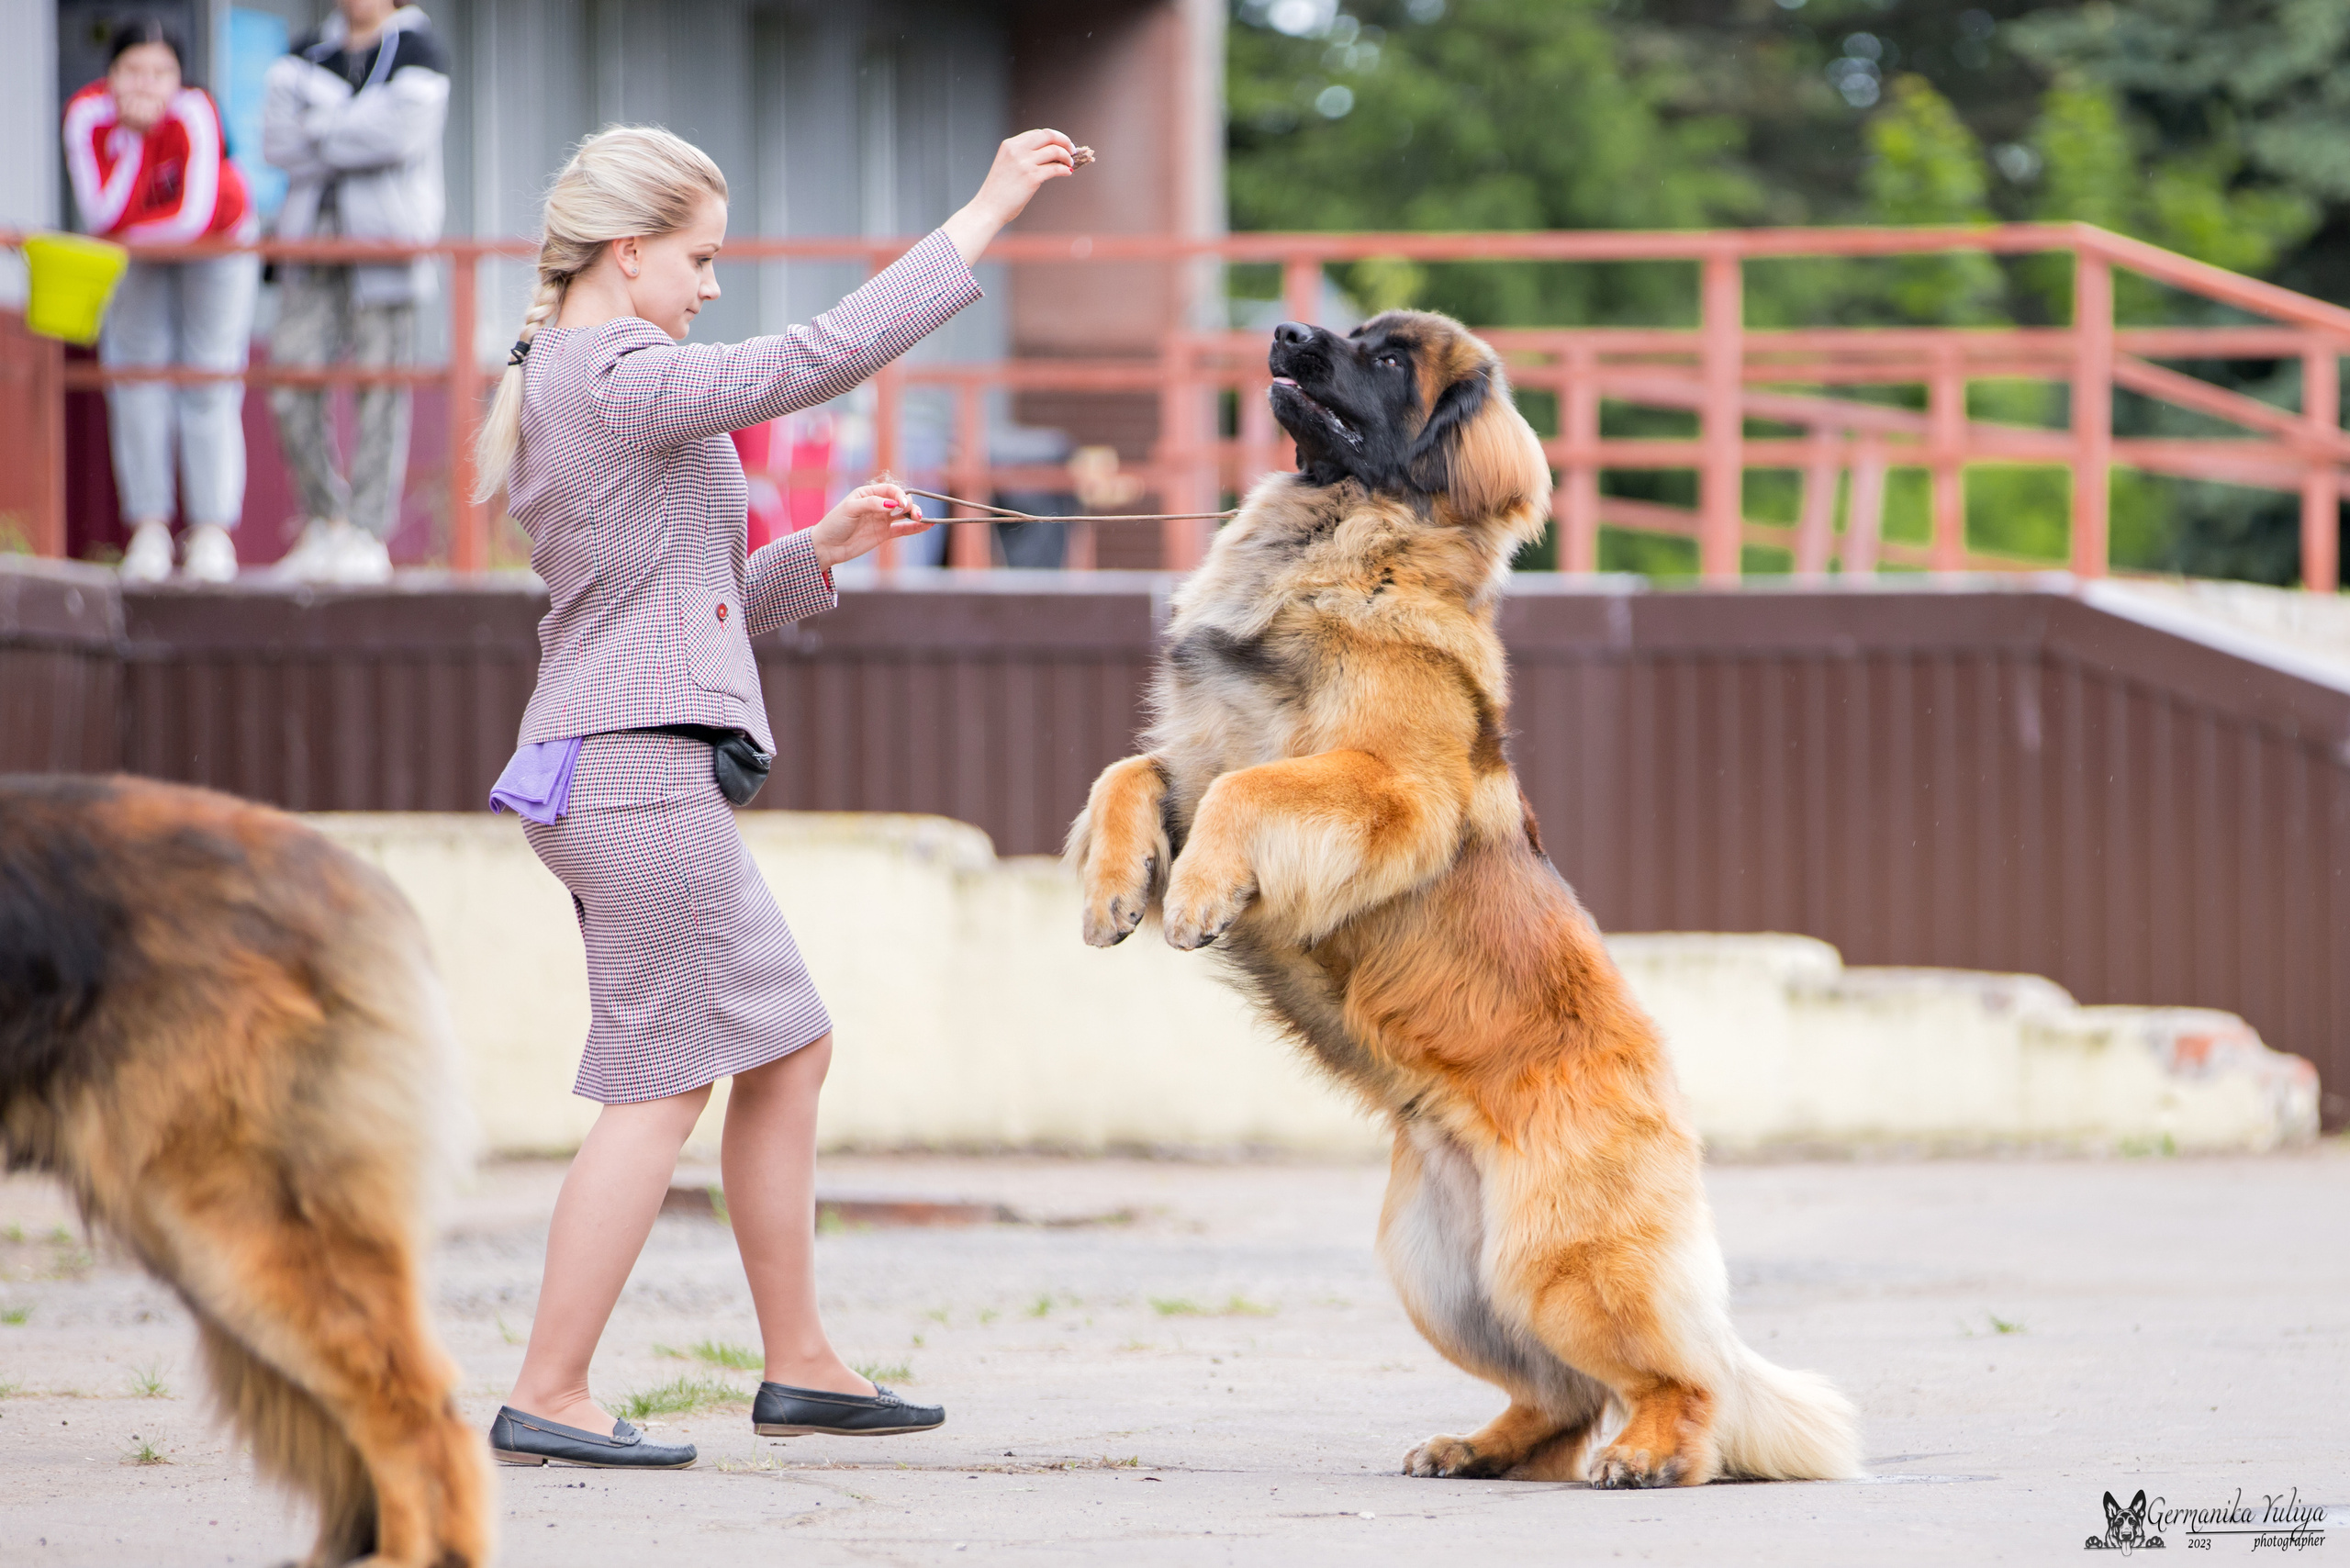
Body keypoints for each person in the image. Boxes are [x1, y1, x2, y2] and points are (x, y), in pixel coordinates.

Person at [476, 123, 1080, 1470]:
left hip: (622, 755)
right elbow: (815, 359)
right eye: (698, 259)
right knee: (657, 1086)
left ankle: (800, 1362)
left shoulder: (576, 380)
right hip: (638, 771)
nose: (707, 287)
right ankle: (551, 1389)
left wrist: (821, 546)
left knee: (784, 1045)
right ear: (628, 254)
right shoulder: (618, 369)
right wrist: (980, 213)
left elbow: (675, 607)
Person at [62, 20, 258, 584]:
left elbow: (192, 218)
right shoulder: (87, 116)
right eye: (133, 71)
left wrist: (123, 235)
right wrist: (133, 139)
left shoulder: (196, 111)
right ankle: (147, 528)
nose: (146, 84)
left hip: (218, 242)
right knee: (136, 376)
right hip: (135, 250)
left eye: (160, 72)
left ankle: (211, 532)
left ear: (180, 77)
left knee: (209, 378)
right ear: (110, 77)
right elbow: (100, 213)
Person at [260, 0, 448, 583]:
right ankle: (325, 522)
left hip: (388, 244)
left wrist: (320, 123)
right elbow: (277, 143)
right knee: (291, 380)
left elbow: (398, 138)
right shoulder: (303, 52)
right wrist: (361, 124)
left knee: (382, 385)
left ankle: (368, 533)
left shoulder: (420, 50)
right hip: (308, 241)